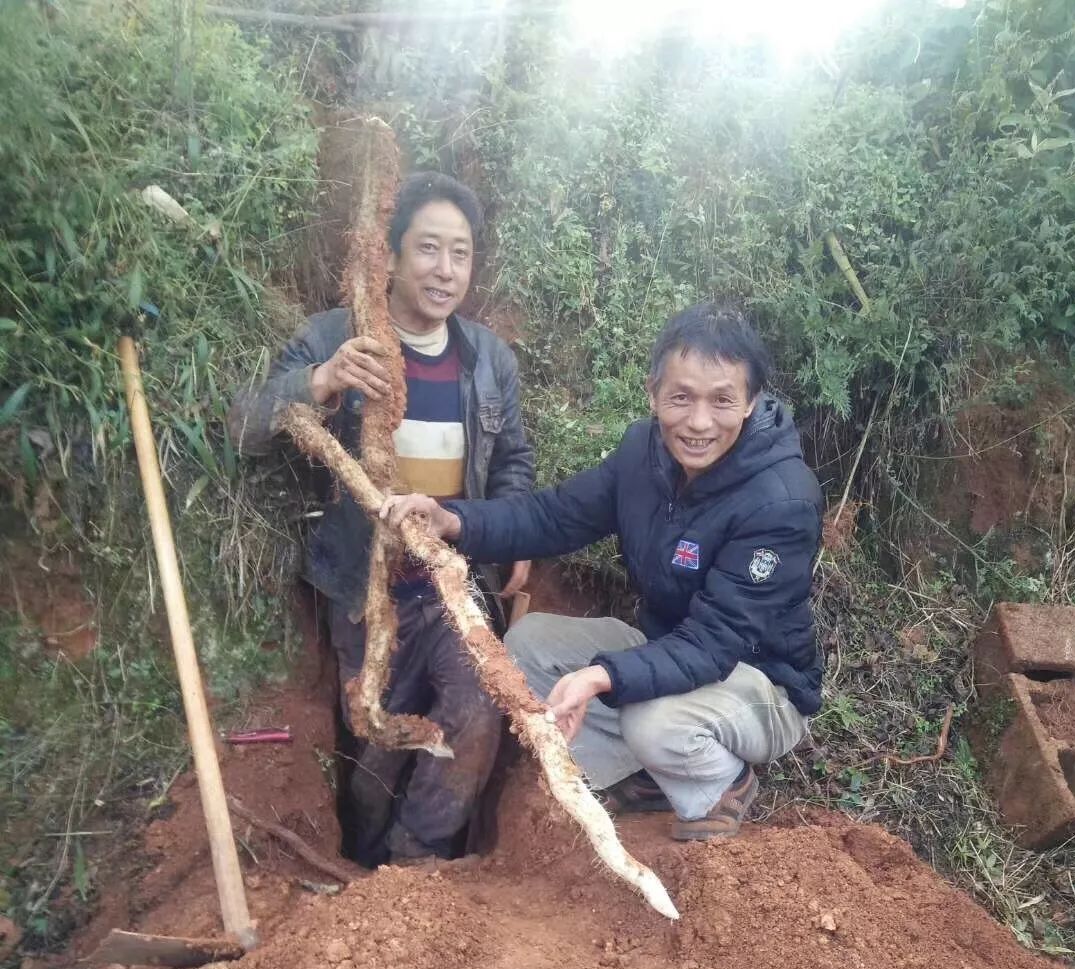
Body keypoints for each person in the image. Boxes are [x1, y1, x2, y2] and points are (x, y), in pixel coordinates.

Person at [381, 302, 822, 839]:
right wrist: (453, 520)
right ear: (653, 392)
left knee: (653, 720)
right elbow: (555, 517)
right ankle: (649, 777)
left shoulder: (781, 501)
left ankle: (721, 782)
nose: (699, 421)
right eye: (680, 397)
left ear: (751, 403)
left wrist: (602, 675)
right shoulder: (644, 453)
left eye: (722, 400)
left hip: (761, 685)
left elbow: (714, 643)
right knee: (528, 645)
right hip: (672, 645)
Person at [228, 172, 535, 865]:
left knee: (479, 705)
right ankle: (362, 868)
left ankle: (414, 868)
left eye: (460, 254)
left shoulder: (488, 360)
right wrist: (320, 382)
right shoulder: (337, 337)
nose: (445, 270)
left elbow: (514, 455)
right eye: (428, 249)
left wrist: (511, 529)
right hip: (363, 590)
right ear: (389, 258)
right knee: (372, 748)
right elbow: (241, 424)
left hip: (453, 579)